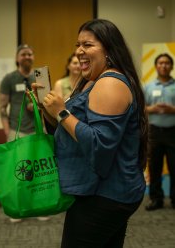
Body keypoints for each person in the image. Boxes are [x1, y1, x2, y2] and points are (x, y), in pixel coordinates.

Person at [32, 19, 148, 247]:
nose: (79, 52)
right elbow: (67, 133)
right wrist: (47, 109)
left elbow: (99, 146)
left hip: (106, 195)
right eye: (78, 45)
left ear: (109, 49)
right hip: (101, 191)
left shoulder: (110, 84)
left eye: (88, 45)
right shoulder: (91, 82)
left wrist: (62, 112)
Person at [0, 44, 49, 223]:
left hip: (37, 129)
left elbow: (46, 102)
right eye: (23, 54)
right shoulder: (9, 79)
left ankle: (41, 207)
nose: (27, 56)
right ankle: (19, 208)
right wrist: (7, 131)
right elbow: (2, 107)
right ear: (17, 58)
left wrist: (37, 105)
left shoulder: (39, 76)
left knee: (38, 171)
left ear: (33, 57)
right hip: (16, 130)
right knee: (18, 171)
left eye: (30, 53)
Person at [144, 53, 175, 211]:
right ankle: (156, 199)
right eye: (161, 63)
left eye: (167, 63)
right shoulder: (148, 86)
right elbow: (141, 108)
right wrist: (152, 109)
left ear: (171, 66)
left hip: (173, 132)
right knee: (154, 166)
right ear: (156, 66)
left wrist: (172, 110)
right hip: (154, 132)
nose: (164, 65)